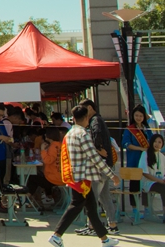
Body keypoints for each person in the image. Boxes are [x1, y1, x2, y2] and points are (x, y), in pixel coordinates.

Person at [48, 106, 120, 247]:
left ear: (73, 118)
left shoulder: (70, 134)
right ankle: (56, 235)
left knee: (91, 209)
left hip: (74, 175)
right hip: (82, 178)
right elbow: (95, 158)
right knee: (76, 205)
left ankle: (104, 239)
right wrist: (112, 175)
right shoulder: (83, 135)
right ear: (87, 117)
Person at [76, 99, 119, 235]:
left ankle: (92, 226)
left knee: (92, 197)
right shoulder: (98, 120)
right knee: (105, 197)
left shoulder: (95, 121)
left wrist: (97, 149)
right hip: (106, 164)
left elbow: (97, 135)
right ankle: (112, 225)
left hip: (100, 165)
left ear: (89, 108)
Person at [122, 104, 152, 215]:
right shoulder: (129, 130)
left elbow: (152, 142)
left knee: (146, 185)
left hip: (147, 161)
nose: (138, 118)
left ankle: (147, 208)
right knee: (134, 185)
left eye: (141, 116)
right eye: (136, 115)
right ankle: (135, 209)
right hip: (134, 160)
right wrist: (141, 148)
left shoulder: (147, 129)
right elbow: (126, 144)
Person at [139, 133, 165, 216]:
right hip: (149, 182)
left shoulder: (162, 156)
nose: (157, 144)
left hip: (160, 181)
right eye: (155, 141)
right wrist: (159, 181)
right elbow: (144, 173)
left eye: (159, 142)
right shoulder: (145, 154)